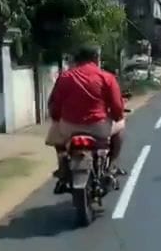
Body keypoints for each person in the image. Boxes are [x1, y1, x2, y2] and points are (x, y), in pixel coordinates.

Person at [47, 46, 126, 189]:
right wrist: (116, 116)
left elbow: (54, 105)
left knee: (56, 132)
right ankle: (112, 166)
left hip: (70, 128)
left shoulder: (65, 77)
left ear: (77, 60)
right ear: (96, 59)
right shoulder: (106, 77)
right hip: (99, 128)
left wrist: (57, 119)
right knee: (121, 126)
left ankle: (62, 164)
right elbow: (117, 108)